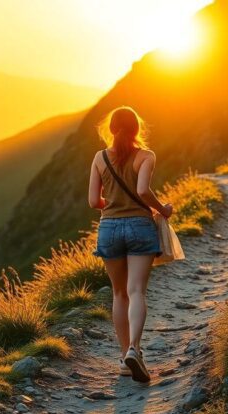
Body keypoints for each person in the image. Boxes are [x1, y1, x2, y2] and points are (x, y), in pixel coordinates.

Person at [87, 106, 173, 382]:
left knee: (118, 294)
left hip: (109, 228)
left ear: (111, 129)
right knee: (137, 292)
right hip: (139, 227)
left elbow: (92, 202)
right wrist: (163, 209)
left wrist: (111, 204)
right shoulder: (146, 156)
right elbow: (143, 191)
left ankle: (125, 356)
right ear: (137, 129)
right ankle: (135, 349)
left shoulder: (99, 158)